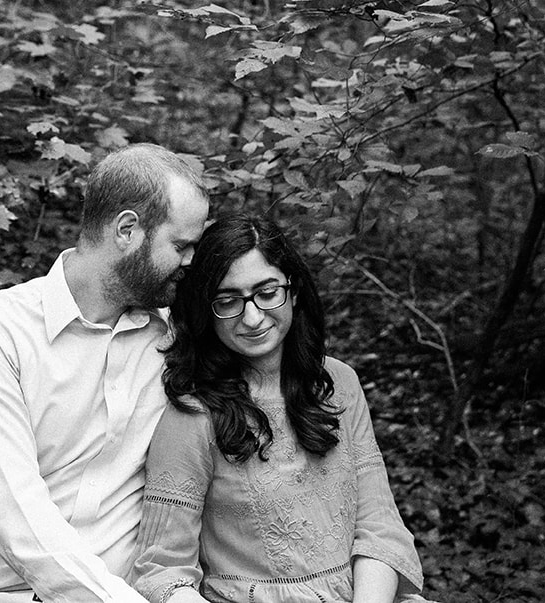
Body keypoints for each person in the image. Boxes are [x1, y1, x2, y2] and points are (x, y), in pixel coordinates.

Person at [0, 143, 212, 603]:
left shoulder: (174, 343)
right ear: (127, 229)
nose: (191, 262)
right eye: (180, 245)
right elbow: (18, 522)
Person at [131, 215, 432, 603]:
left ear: (293, 291)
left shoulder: (339, 383)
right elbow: (162, 571)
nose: (252, 317)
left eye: (267, 292)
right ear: (207, 310)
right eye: (228, 301)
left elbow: (379, 527)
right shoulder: (193, 414)